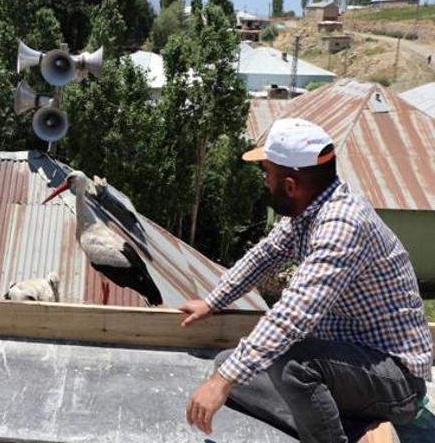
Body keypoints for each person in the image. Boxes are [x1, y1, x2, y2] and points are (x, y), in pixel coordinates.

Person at [179, 118, 432, 443]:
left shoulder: (342, 226)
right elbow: (264, 256)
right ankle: (357, 429)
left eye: (266, 174)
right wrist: (213, 302)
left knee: (288, 364)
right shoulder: (308, 211)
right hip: (345, 366)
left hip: (394, 378)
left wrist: (220, 384)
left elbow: (292, 315)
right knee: (226, 363)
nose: (263, 181)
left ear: (289, 185)